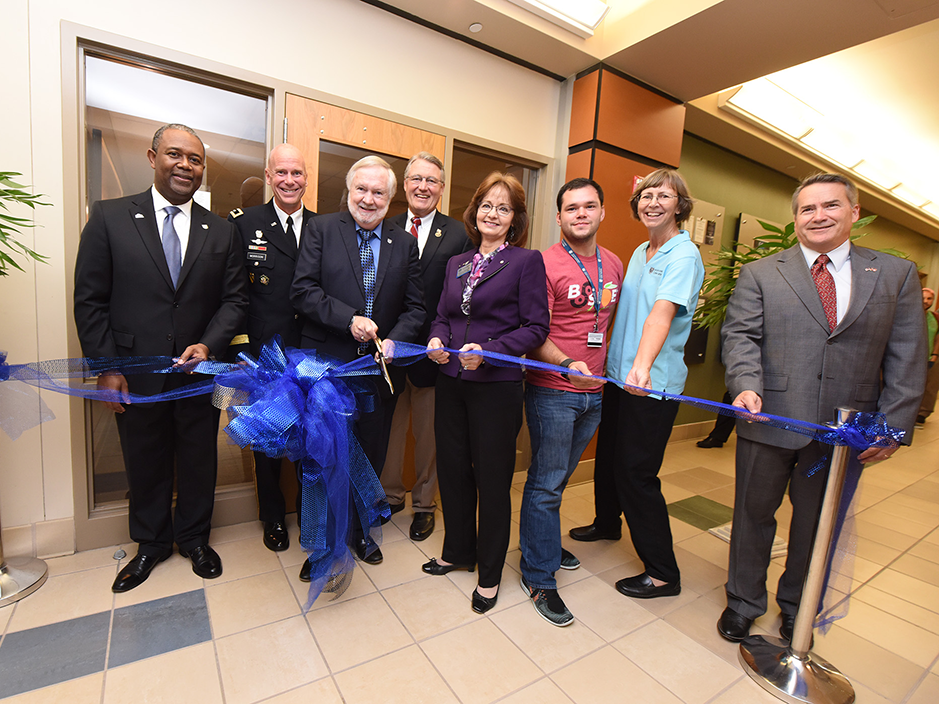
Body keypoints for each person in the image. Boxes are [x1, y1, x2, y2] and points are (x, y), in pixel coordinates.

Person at [717, 173, 926, 643]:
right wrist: (744, 386)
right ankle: (743, 600)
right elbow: (741, 336)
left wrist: (893, 428)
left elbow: (907, 353)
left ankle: (798, 602)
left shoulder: (894, 274)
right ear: (795, 218)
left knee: (817, 521)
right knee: (752, 516)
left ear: (854, 212)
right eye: (807, 209)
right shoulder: (763, 273)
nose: (818, 216)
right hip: (767, 418)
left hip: (843, 430)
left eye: (830, 206)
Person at [74, 123, 248, 592]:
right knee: (144, 458)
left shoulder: (222, 231)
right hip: (134, 373)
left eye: (194, 159)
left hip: (197, 374)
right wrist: (108, 368)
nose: (185, 166)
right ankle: (150, 544)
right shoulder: (110, 217)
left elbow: (234, 301)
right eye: (175, 155)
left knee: (198, 458)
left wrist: (209, 344)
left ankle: (193, 538)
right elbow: (90, 300)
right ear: (153, 158)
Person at [569, 168, 704, 601]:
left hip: (651, 384)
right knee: (608, 457)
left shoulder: (683, 256)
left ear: (680, 205)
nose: (652, 203)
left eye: (663, 196)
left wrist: (642, 366)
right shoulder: (643, 251)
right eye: (646, 196)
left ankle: (664, 572)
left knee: (636, 473)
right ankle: (607, 522)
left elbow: (661, 313)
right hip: (617, 377)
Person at [423, 172, 549, 614]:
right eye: (486, 205)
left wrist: (491, 352)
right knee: (454, 471)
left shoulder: (526, 261)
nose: (492, 214)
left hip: (495, 387)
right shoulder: (456, 262)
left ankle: (490, 572)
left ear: (514, 219)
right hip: (451, 382)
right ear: (474, 211)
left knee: (492, 480)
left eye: (503, 208)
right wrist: (438, 341)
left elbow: (536, 328)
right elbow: (442, 316)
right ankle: (458, 550)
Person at [290, 155, 424, 567]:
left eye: (378, 192)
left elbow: (415, 308)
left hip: (377, 376)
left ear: (391, 197)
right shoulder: (322, 229)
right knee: (323, 456)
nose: (369, 199)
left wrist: (395, 341)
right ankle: (322, 543)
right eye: (361, 189)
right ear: (349, 191)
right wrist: (348, 320)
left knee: (370, 457)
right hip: (327, 371)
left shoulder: (404, 242)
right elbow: (303, 291)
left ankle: (361, 533)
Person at [518, 178, 623, 626]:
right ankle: (538, 575)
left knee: (557, 480)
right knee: (544, 483)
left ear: (602, 213)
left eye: (589, 206)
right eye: (571, 208)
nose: (581, 214)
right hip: (553, 392)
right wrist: (566, 362)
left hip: (594, 395)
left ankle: (540, 542)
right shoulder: (541, 264)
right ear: (558, 217)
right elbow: (533, 331)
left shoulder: (614, 264)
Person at [228, 144, 315, 555]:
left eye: (296, 173)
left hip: (312, 354)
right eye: (281, 172)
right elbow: (235, 295)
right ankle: (273, 517)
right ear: (268, 175)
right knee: (268, 441)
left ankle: (308, 512)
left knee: (309, 438)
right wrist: (243, 350)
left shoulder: (323, 227)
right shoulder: (245, 224)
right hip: (266, 352)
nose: (289, 181)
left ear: (306, 178)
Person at [381, 152, 471, 541]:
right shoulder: (385, 227)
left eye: (431, 180)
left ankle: (424, 504)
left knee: (429, 435)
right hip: (390, 351)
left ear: (442, 187)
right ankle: (389, 495)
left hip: (436, 354)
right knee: (389, 430)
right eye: (416, 179)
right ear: (404, 185)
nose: (423, 187)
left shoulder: (459, 235)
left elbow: (465, 298)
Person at [917, 287, 939, 426]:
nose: (926, 301)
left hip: (930, 357)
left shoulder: (935, 318)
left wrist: (935, 354)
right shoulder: (910, 315)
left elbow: (937, 337)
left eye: (929, 298)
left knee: (930, 386)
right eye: (923, 298)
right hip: (912, 358)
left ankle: (922, 414)